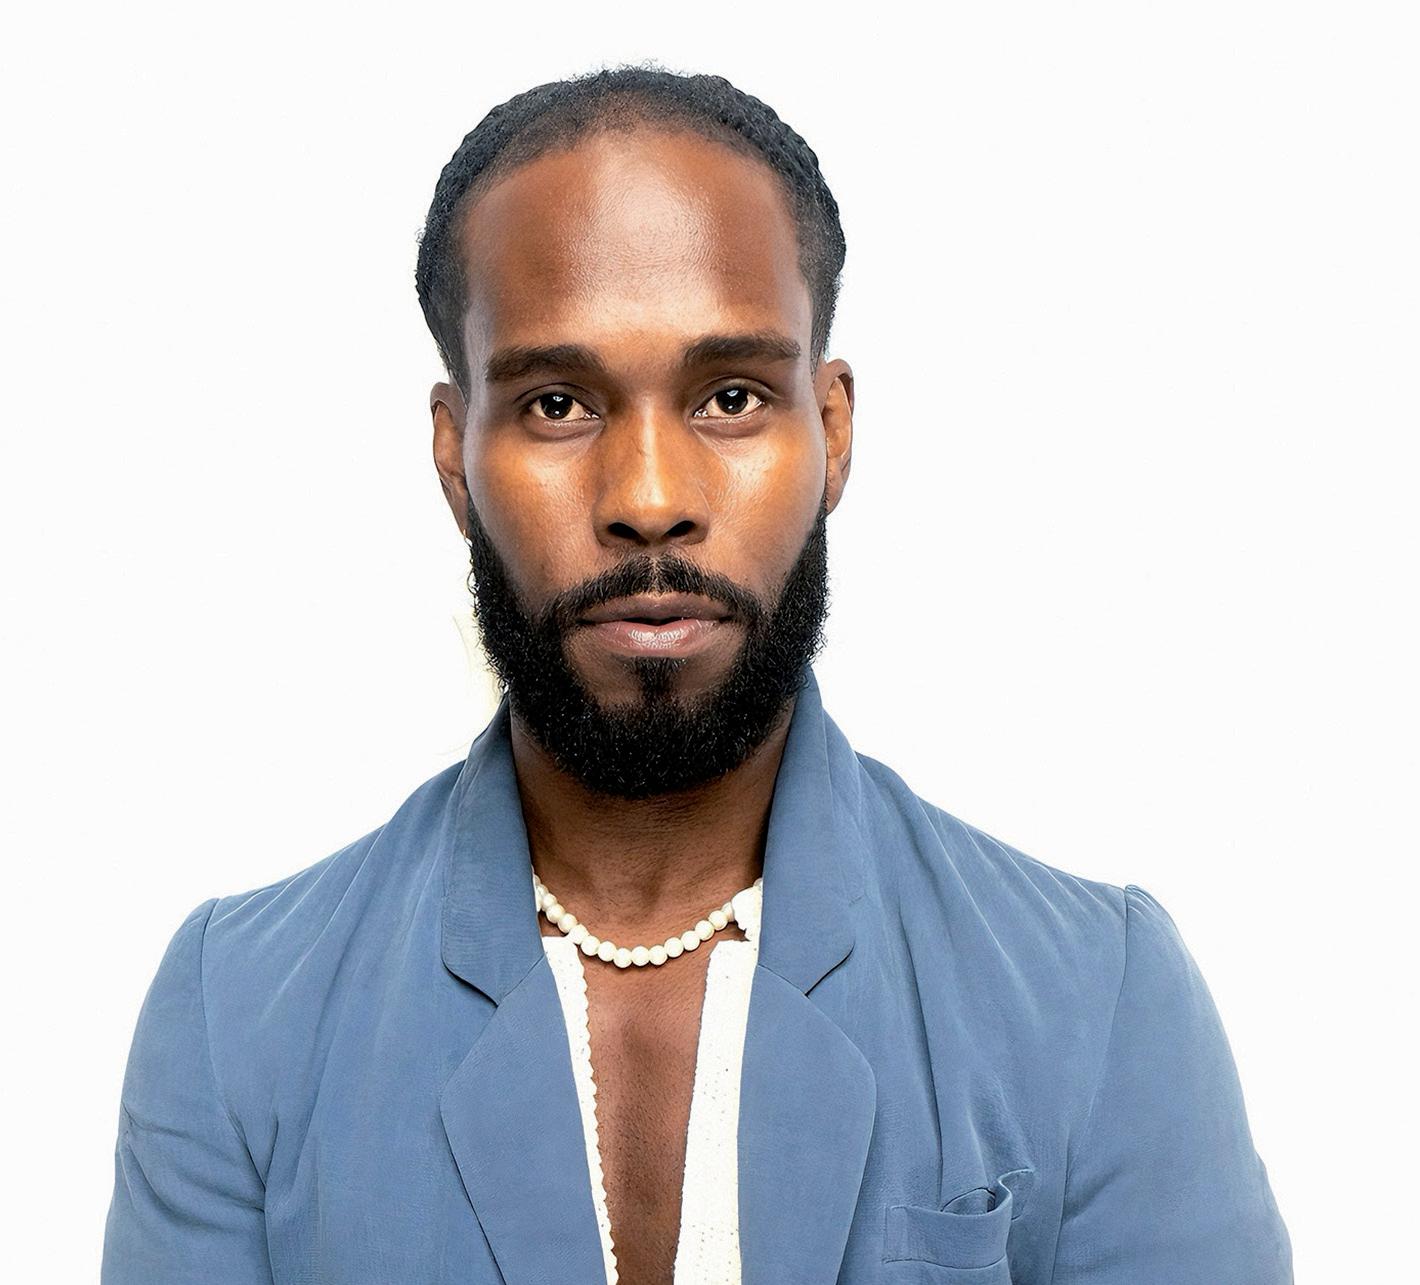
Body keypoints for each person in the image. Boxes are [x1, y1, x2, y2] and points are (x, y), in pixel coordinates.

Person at [101, 65, 1293, 1285]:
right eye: (557, 404)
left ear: (830, 430)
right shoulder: (238, 1015)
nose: (650, 497)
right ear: (456, 458)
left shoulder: (1096, 999)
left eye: (730, 396)